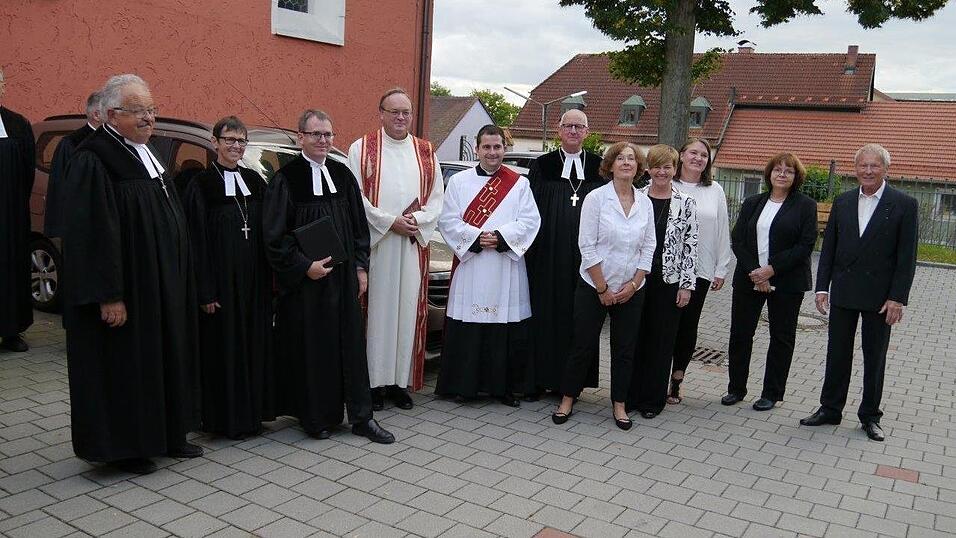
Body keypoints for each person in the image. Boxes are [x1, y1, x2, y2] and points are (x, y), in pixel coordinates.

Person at [60, 74, 201, 475]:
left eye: (152, 109)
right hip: (128, 291)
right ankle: (126, 449)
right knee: (127, 366)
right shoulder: (94, 158)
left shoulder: (145, 151)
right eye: (138, 111)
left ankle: (169, 434)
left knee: (162, 359)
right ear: (111, 114)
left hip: (159, 287)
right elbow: (91, 234)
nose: (149, 118)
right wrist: (109, 294)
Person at [263, 109, 393, 444]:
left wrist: (361, 267)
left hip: (344, 276)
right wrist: (305, 266)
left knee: (350, 345)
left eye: (328, 135)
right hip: (309, 282)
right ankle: (316, 417)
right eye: (316, 134)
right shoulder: (286, 180)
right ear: (300, 137)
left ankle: (362, 417)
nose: (323, 141)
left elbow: (358, 228)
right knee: (314, 348)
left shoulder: (343, 174)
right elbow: (275, 237)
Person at [801, 144, 918, 442]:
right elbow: (828, 250)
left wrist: (898, 298)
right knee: (837, 353)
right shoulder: (843, 202)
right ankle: (830, 409)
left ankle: (870, 416)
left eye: (874, 166)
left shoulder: (904, 204)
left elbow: (907, 258)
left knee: (874, 357)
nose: (868, 171)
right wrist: (822, 287)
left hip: (881, 298)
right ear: (855, 169)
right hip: (844, 291)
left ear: (885, 169)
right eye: (862, 166)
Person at [348, 88, 443, 411]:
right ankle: (373, 383)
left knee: (406, 314)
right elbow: (355, 198)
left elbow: (436, 198)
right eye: (394, 112)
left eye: (406, 112)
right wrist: (389, 222)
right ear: (381, 113)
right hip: (379, 247)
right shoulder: (361, 149)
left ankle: (399, 383)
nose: (400, 118)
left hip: (412, 247)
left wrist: (415, 220)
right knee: (377, 316)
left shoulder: (426, 152)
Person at [182, 116, 275, 439]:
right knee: (224, 350)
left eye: (241, 141)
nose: (236, 146)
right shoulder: (201, 185)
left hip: (254, 283)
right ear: (215, 142)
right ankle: (224, 421)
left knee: (254, 345)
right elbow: (195, 241)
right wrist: (204, 291)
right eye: (230, 140)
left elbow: (271, 229)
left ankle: (253, 416)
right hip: (221, 284)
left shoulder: (255, 180)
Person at [436, 124, 541, 406]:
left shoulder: (519, 183)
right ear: (477, 148)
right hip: (472, 264)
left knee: (504, 325)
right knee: (470, 322)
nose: (492, 152)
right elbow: (447, 220)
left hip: (506, 265)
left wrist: (501, 238)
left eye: (497, 147)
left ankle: (504, 388)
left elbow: (531, 221)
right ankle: (464, 386)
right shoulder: (459, 182)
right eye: (486, 147)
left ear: (504, 149)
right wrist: (476, 238)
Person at [552, 142, 654, 430]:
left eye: (632, 159)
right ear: (610, 165)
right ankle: (568, 399)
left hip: (631, 289)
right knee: (582, 345)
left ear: (638, 167)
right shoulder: (596, 198)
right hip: (593, 285)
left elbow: (649, 246)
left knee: (624, 349)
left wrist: (634, 284)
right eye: (620, 158)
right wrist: (602, 289)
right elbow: (587, 244)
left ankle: (619, 404)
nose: (626, 162)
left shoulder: (644, 202)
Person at [722, 153, 817, 411]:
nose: (782, 174)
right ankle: (736, 388)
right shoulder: (753, 202)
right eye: (777, 169)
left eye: (789, 171)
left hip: (787, 281)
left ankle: (772, 393)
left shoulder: (805, 206)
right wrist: (755, 271)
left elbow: (806, 245)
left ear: (796, 177)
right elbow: (738, 239)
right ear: (769, 174)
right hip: (748, 278)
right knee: (740, 334)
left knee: (781, 337)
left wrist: (771, 270)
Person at [523, 109, 606, 400]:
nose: (573, 131)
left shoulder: (598, 165)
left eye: (578, 126)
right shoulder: (542, 165)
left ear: (587, 132)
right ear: (559, 130)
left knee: (579, 317)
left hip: (585, 256)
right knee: (544, 313)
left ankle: (572, 383)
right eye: (568, 126)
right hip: (546, 253)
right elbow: (528, 209)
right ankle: (539, 379)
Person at [626, 144, 698, 418]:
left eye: (667, 166)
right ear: (647, 169)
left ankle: (652, 401)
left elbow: (691, 245)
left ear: (674, 169)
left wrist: (686, 286)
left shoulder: (686, 202)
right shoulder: (636, 196)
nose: (662, 171)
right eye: (656, 166)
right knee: (635, 337)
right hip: (638, 277)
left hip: (669, 280)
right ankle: (629, 396)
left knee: (661, 341)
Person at [669, 138, 731, 404]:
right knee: (663, 325)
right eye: (693, 152)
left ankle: (676, 382)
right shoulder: (665, 184)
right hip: (667, 269)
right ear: (681, 156)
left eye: (704, 155)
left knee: (687, 326)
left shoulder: (714, 190)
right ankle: (654, 376)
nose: (698, 158)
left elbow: (722, 230)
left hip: (701, 270)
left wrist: (721, 267)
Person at [0, 68, 35, 353]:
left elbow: (27, 171)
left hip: (10, 215)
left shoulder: (17, 123)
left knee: (11, 269)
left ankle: (12, 330)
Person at [45, 91, 103, 239]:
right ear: (97, 115)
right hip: (81, 226)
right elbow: (59, 187)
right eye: (111, 111)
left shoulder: (116, 141)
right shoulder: (71, 144)